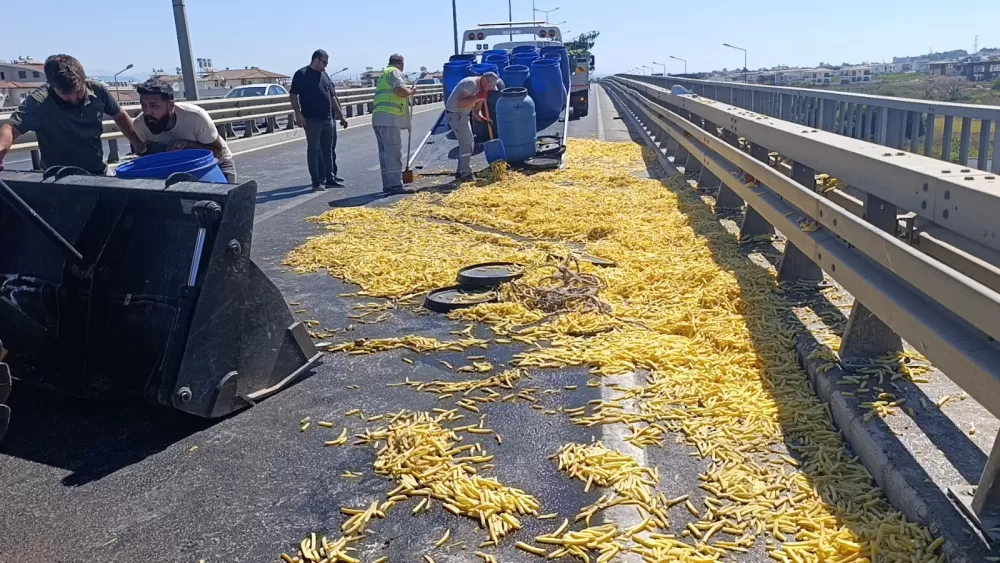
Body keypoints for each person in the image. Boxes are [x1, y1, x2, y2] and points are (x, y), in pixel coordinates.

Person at [0, 54, 145, 174]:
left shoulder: (98, 90)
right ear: (52, 85)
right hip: (59, 177)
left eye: (78, 91)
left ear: (84, 80)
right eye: (66, 94)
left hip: (98, 172)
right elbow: (10, 128)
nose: (74, 98)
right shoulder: (39, 102)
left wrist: (136, 142)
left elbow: (119, 114)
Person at [131, 79, 237, 183]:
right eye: (143, 105)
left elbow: (218, 152)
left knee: (224, 193)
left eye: (154, 106)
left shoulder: (195, 117)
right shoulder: (140, 125)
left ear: (170, 106)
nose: (147, 112)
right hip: (173, 170)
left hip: (216, 164)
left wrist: (189, 145)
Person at [290, 49, 349, 190]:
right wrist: (298, 113)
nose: (326, 66)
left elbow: (332, 97)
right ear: (316, 60)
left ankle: (330, 178)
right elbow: (293, 94)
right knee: (313, 150)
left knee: (328, 150)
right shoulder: (302, 74)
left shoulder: (325, 75)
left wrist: (341, 116)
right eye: (324, 63)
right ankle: (316, 181)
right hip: (312, 119)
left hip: (328, 118)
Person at [371, 53, 416, 194]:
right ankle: (395, 185)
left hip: (378, 117)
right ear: (401, 63)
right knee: (394, 153)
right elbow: (400, 91)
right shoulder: (395, 72)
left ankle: (388, 184)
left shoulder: (384, 74)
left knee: (384, 154)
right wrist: (411, 91)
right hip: (389, 118)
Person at [444, 72, 500, 181]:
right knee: (467, 143)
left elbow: (476, 112)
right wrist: (477, 97)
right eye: (489, 86)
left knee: (468, 144)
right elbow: (461, 103)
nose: (490, 89)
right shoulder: (470, 84)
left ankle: (461, 171)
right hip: (455, 114)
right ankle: (465, 173)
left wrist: (484, 119)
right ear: (484, 80)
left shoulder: (483, 90)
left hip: (464, 115)